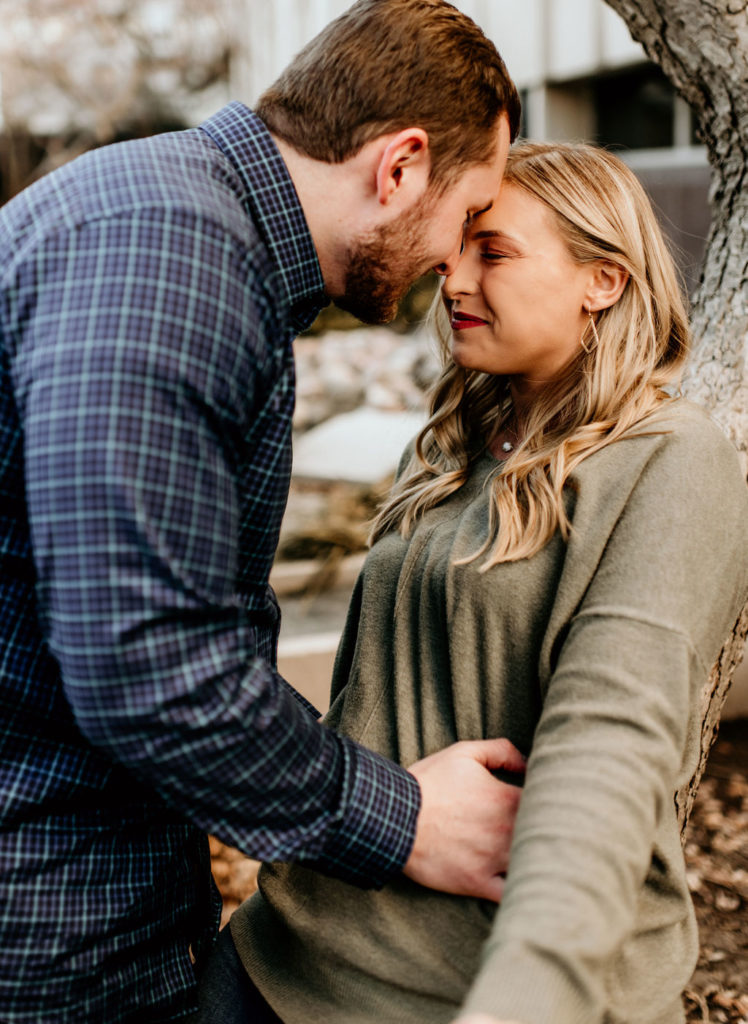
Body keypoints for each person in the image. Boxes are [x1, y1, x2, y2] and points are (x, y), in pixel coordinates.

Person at [0, 2, 524, 1020]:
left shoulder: (190, 229)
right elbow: (143, 661)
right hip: (43, 940)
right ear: (401, 166)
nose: (455, 269)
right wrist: (406, 819)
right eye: (469, 220)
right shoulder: (171, 254)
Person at [211, 142, 748, 1024]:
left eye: (493, 252)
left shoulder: (670, 463)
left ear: (602, 280)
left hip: (456, 994)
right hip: (279, 955)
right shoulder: (448, 449)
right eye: (457, 246)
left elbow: (609, 746)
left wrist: (528, 995)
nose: (453, 279)